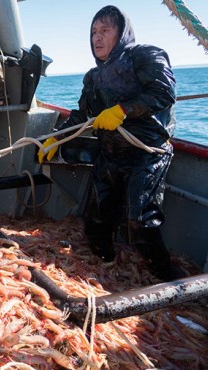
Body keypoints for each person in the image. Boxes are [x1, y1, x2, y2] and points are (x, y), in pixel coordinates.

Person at [38, 5, 178, 280]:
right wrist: (56, 138)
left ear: (121, 32)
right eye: (93, 32)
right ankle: (105, 270)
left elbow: (165, 92)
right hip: (110, 154)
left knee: (141, 222)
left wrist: (122, 110)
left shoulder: (146, 55)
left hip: (146, 153)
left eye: (105, 30)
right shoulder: (93, 77)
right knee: (97, 222)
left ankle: (168, 283)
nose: (97, 38)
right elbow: (80, 116)